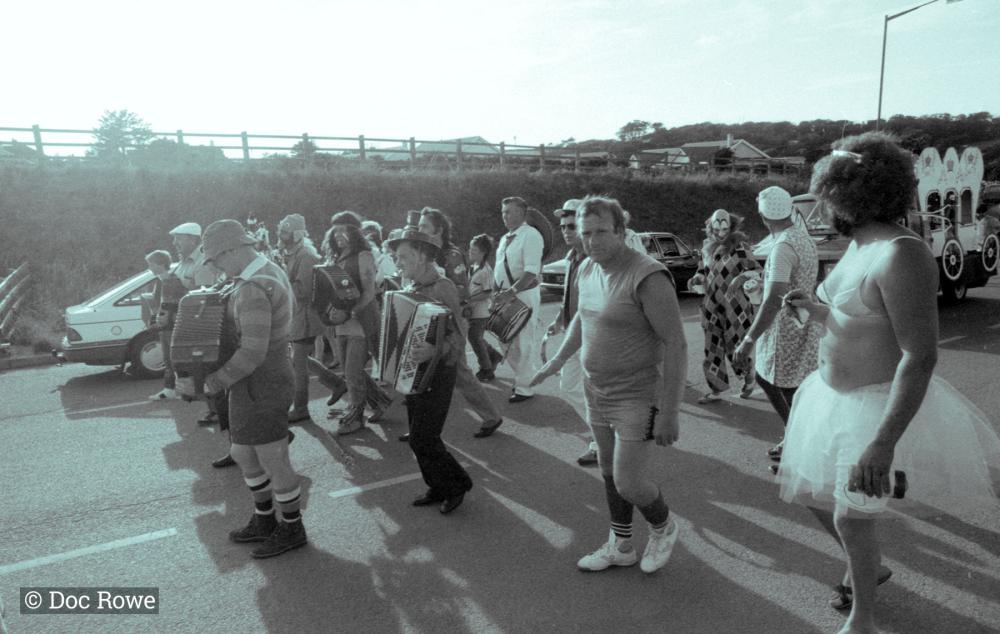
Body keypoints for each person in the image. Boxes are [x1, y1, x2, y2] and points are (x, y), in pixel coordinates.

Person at [780, 134, 1000, 632]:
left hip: (872, 409)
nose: (818, 204)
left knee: (851, 518)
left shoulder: (902, 253)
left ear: (848, 193)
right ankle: (869, 575)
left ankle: (863, 620)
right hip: (829, 399)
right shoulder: (859, 244)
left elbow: (919, 355)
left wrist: (883, 442)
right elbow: (855, 319)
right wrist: (814, 308)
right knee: (818, 498)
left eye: (824, 192)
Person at [531, 195, 687, 574]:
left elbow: (676, 342)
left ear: (620, 231)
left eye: (602, 231)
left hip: (637, 394)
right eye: (586, 233)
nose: (592, 240)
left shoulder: (646, 275)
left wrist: (669, 412)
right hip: (595, 389)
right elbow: (582, 321)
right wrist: (556, 362)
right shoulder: (587, 268)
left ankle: (664, 526)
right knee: (606, 469)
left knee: (629, 481)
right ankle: (620, 545)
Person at [200, 219, 307, 558]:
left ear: (232, 250)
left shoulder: (252, 287)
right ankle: (265, 519)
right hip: (260, 379)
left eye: (216, 259)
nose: (216, 266)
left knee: (274, 457)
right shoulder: (265, 270)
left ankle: (291, 527)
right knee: (243, 452)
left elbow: (252, 352)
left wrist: (215, 381)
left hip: (263, 381)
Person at [734, 186, 822, 473]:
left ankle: (802, 449)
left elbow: (774, 297)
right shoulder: (803, 238)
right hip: (804, 318)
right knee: (783, 383)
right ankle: (796, 438)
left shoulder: (783, 246)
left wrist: (748, 339)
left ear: (763, 216)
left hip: (786, 326)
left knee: (787, 387)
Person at [387, 227, 473, 514]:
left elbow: (459, 336)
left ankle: (457, 484)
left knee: (425, 437)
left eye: (404, 257)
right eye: (396, 257)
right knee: (417, 437)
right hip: (414, 372)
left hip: (439, 372)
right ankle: (437, 486)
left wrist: (435, 351)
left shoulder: (443, 287)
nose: (397, 262)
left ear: (424, 256)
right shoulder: (409, 288)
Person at [416, 209, 504, 438]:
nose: (419, 230)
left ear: (439, 229)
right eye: (419, 226)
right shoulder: (425, 252)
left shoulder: (451, 255)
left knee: (461, 372)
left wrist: (436, 287)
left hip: (453, 320)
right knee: (424, 372)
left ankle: (492, 417)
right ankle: (420, 425)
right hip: (430, 318)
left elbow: (462, 289)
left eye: (424, 226)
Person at [323, 211, 391, 435]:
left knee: (352, 372)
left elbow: (370, 292)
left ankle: (355, 418)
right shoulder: (336, 256)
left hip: (360, 321)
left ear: (355, 231)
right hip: (341, 323)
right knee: (352, 370)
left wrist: (351, 312)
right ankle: (379, 402)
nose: (340, 234)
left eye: (345, 229)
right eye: (337, 230)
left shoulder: (364, 255)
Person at [545, 199, 599, 466]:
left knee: (590, 391)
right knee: (569, 387)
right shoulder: (572, 257)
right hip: (573, 333)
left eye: (571, 225)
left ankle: (601, 439)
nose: (565, 230)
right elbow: (570, 296)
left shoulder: (594, 258)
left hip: (592, 338)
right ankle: (605, 431)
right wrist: (558, 319)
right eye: (562, 226)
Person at [689, 209, 758, 404]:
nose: (721, 234)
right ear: (710, 228)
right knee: (712, 346)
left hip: (736, 306)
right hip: (711, 304)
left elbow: (755, 270)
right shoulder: (706, 248)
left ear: (731, 227)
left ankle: (748, 375)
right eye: (717, 229)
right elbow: (702, 271)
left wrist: (742, 277)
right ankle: (716, 389)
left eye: (725, 229)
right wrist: (697, 278)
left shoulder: (740, 247)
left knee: (734, 345)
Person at [278, 213, 334, 424]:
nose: (281, 235)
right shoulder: (291, 253)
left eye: (285, 231)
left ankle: (301, 408)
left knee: (297, 364)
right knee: (298, 359)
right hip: (297, 315)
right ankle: (337, 383)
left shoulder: (306, 255)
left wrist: (278, 283)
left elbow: (303, 291)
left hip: (307, 316)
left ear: (296, 234)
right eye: (281, 230)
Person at [494, 196, 544, 402]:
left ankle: (525, 387)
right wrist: (496, 293)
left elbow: (531, 271)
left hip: (524, 294)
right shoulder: (506, 238)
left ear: (522, 213)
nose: (505, 216)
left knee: (523, 341)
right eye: (503, 212)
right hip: (505, 295)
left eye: (510, 212)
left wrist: (511, 292)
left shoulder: (530, 235)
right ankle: (524, 377)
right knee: (504, 339)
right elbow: (500, 268)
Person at [144, 249, 188, 400]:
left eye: (151, 264)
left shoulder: (169, 281)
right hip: (169, 325)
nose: (149, 267)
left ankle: (172, 389)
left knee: (171, 359)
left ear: (161, 264)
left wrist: (158, 322)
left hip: (169, 326)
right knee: (172, 359)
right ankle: (176, 389)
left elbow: (168, 305)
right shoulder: (164, 280)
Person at [466, 233, 496, 380]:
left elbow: (487, 292)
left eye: (474, 251)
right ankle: (493, 355)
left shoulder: (486, 271)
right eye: (470, 250)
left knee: (475, 338)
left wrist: (470, 298)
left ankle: (487, 369)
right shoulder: (473, 267)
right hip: (471, 311)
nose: (470, 253)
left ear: (483, 253)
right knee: (475, 338)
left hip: (481, 313)